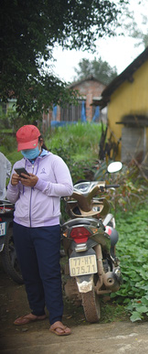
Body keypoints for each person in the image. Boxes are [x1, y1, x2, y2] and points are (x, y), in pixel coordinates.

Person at [7, 125, 73, 336]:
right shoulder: (18, 164)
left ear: (41, 142)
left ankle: (56, 319)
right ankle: (37, 311)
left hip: (46, 226)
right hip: (21, 226)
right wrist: (14, 184)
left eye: (31, 147)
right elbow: (11, 199)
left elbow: (67, 188)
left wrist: (40, 184)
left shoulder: (55, 162)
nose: (27, 152)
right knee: (29, 272)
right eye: (24, 149)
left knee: (49, 273)